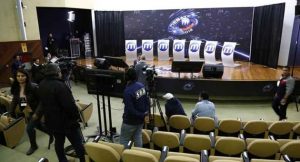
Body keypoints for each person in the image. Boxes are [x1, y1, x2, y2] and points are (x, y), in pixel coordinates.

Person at [34, 63, 85, 162]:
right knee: (77, 143)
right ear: (58, 73)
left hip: (52, 122)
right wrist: (76, 117)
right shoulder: (60, 86)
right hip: (67, 123)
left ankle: (62, 160)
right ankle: (83, 160)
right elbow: (69, 106)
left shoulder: (41, 84)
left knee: (59, 143)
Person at [9, 68, 52, 155]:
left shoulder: (33, 86)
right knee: (39, 126)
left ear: (27, 77)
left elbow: (42, 101)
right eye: (18, 76)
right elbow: (15, 100)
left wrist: (37, 113)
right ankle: (51, 133)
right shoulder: (16, 87)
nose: (20, 78)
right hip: (27, 110)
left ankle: (34, 146)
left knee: (29, 128)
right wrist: (11, 112)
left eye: (22, 76)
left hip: (37, 111)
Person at [119, 67, 150, 147]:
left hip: (130, 121)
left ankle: (125, 157)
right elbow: (147, 101)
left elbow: (130, 110)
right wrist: (145, 114)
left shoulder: (128, 91)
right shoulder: (141, 85)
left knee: (124, 139)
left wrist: (142, 115)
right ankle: (139, 155)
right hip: (140, 120)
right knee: (137, 136)